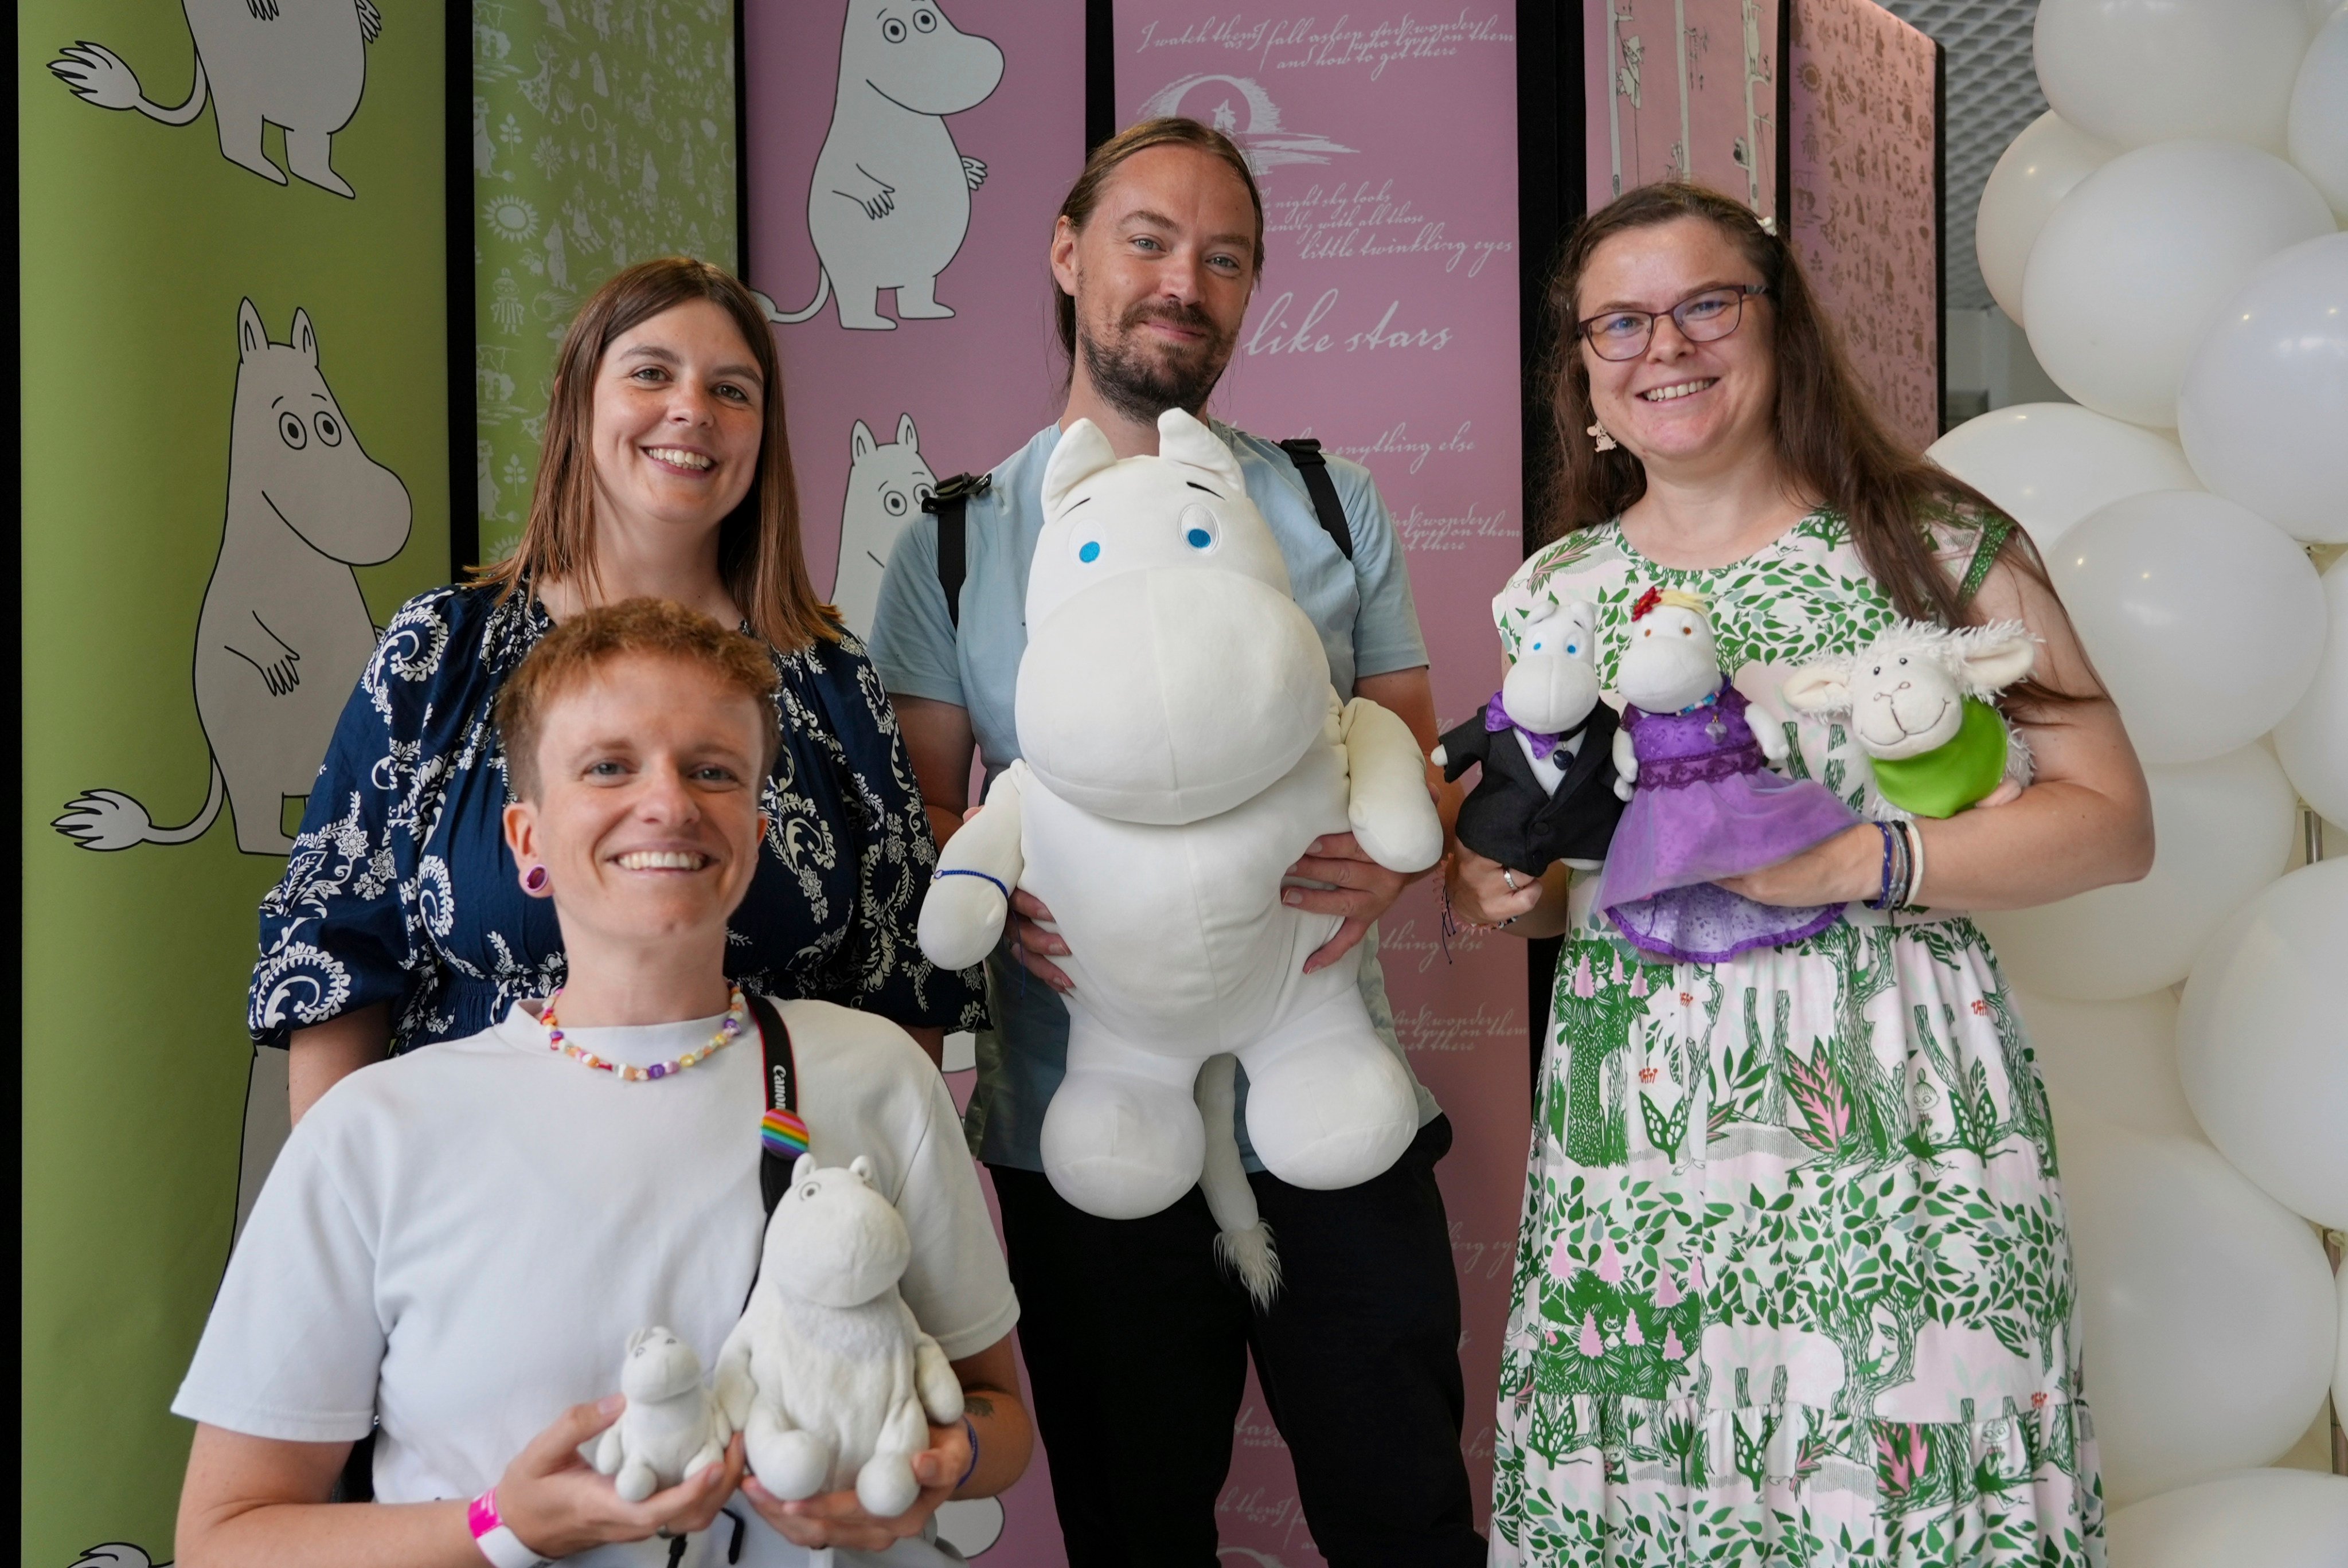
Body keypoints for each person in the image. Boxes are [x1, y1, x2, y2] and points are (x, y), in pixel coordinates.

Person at [1450, 182, 2151, 1565]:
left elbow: (2111, 824)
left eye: (1707, 304)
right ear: (1582, 370)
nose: (1666, 346)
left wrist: (1859, 858)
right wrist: (1503, 896)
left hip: (1903, 1125)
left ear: (1779, 331)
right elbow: (1553, 868)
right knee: (1662, 1504)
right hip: (1640, 1147)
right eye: (1620, 322)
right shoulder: (1556, 591)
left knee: (1906, 1505)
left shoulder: (1930, 544)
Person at [866, 118, 1483, 1567]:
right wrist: (1000, 879)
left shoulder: (1327, 503)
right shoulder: (959, 541)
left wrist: (1401, 857)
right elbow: (929, 816)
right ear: (1069, 252)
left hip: (1326, 1086)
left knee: (1403, 1506)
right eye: (1146, 241)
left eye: (1224, 258)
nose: (1181, 283)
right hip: (1081, 1114)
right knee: (1135, 1523)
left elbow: (1417, 749)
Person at [173, 599, 1032, 1566]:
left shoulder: (878, 1079)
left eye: (712, 770)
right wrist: (500, 1528)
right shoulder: (374, 1133)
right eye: (608, 767)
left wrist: (934, 1467)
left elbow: (997, 1423)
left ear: (755, 836)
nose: (667, 803)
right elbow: (225, 1538)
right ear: (528, 842)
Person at [253, 257, 984, 1124]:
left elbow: (904, 979)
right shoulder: (439, 655)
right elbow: (337, 957)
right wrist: (342, 1220)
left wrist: (873, 1203)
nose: (692, 411)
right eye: (650, 373)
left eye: (733, 390)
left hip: (768, 1209)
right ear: (577, 397)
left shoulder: (828, 678)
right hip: (473, 1208)